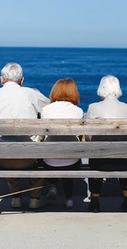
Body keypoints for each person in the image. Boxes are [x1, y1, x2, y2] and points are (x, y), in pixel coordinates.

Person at [0, 62, 50, 209]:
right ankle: (35, 199)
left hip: (2, 159)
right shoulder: (31, 94)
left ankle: (16, 198)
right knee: (39, 151)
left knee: (6, 145)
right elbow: (50, 108)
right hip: (29, 158)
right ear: (22, 80)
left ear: (1, 80)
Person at [86, 75, 127, 212]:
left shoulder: (93, 107)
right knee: (126, 154)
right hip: (124, 161)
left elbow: (89, 136)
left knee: (94, 155)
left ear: (101, 89)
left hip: (100, 161)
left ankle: (95, 201)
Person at [41, 78, 84, 209]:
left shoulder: (45, 110)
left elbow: (42, 136)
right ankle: (69, 199)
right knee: (69, 157)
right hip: (71, 160)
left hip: (49, 161)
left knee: (50, 153)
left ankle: (53, 186)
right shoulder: (78, 111)